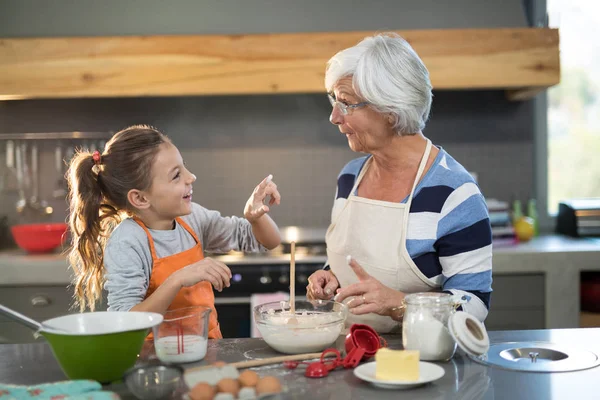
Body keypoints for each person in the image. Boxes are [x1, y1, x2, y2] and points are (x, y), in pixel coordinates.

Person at [306, 33, 493, 333]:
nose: (334, 117)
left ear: (390, 111)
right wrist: (332, 277)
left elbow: (474, 304)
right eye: (334, 101)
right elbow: (358, 263)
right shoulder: (350, 177)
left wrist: (400, 304)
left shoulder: (454, 194)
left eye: (346, 103)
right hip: (346, 355)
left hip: (416, 363)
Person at [66, 125, 282, 339]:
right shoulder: (127, 242)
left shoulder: (192, 218)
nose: (191, 177)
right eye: (176, 175)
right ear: (140, 198)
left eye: (184, 167)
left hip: (207, 351)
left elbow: (267, 242)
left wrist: (255, 217)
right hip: (156, 362)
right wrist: (177, 280)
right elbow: (127, 324)